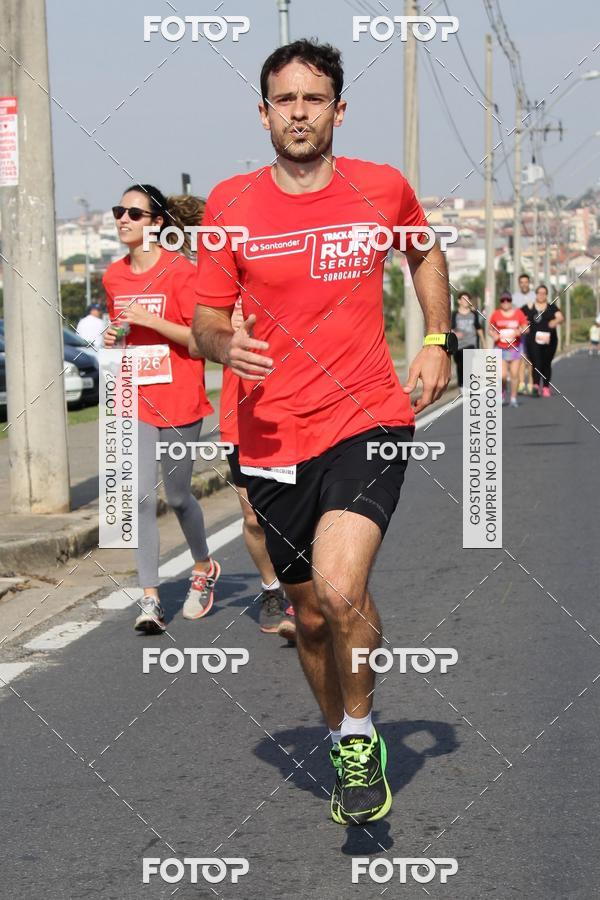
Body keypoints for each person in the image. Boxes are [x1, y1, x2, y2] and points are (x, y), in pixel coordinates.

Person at [192, 39, 452, 825]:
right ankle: (338, 733)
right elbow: (205, 319)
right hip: (271, 435)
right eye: (285, 100)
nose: (299, 113)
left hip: (366, 415)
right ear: (263, 112)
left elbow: (425, 252)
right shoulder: (229, 206)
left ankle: (361, 734)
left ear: (339, 110)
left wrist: (436, 339)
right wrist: (222, 345)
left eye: (314, 99)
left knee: (341, 590)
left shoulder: (381, 187)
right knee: (309, 615)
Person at [103, 184, 220, 633]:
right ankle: (150, 598)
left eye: (134, 213)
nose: (123, 219)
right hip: (134, 398)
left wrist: (151, 320)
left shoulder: (180, 272)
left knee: (177, 497)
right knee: (138, 498)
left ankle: (203, 565)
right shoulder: (113, 277)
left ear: (156, 223)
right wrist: (115, 336)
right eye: (119, 211)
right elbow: (122, 331)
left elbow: (199, 341)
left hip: (180, 399)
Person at [220, 300, 296, 641]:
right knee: (254, 518)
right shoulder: (220, 291)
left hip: (293, 410)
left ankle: (306, 594)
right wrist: (224, 332)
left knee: (297, 512)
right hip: (240, 418)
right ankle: (271, 588)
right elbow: (196, 343)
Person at [522, 284, 564, 397]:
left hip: (550, 341)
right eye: (539, 293)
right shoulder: (529, 307)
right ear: (535, 294)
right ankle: (536, 386)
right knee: (536, 362)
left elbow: (560, 317)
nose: (541, 295)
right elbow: (519, 317)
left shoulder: (551, 307)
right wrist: (523, 325)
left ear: (546, 295)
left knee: (546, 363)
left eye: (543, 293)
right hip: (533, 341)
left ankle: (545, 387)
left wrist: (555, 321)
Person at [489, 291, 528, 407]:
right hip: (500, 348)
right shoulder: (496, 314)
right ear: (500, 302)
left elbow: (526, 327)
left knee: (514, 375)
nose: (505, 302)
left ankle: (513, 398)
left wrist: (520, 331)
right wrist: (494, 335)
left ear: (511, 301)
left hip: (515, 348)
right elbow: (490, 329)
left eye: (508, 300)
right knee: (502, 376)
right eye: (503, 300)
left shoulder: (518, 313)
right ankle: (502, 393)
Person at [450, 291, 484, 387]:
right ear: (459, 301)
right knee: (460, 365)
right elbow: (450, 328)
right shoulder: (455, 314)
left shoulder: (473, 314)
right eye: (464, 299)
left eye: (468, 299)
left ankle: (467, 385)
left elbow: (478, 328)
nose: (466, 301)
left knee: (468, 364)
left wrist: (483, 342)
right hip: (458, 345)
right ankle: (461, 385)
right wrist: (455, 333)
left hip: (471, 344)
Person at [511, 274, 536, 394]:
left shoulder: (535, 296)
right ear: (519, 284)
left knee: (531, 359)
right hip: (520, 332)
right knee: (521, 357)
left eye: (526, 282)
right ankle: (521, 383)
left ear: (529, 283)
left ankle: (531, 384)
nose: (524, 284)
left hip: (533, 331)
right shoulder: (514, 298)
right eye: (522, 282)